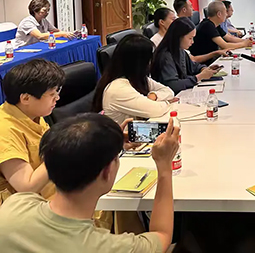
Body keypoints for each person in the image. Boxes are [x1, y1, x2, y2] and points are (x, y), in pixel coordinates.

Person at [0, 113, 180, 252]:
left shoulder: (14, 206)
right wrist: (164, 167)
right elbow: (162, 235)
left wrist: (103, 148)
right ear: (107, 172)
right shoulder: (115, 247)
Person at [0, 60, 63, 200]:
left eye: (57, 91)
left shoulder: (32, 113)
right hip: (27, 206)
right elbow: (27, 187)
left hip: (55, 190)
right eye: (52, 94)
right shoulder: (4, 130)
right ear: (26, 98)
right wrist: (61, 152)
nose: (57, 98)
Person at [93, 34, 176, 124]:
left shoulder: (137, 79)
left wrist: (154, 95)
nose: (151, 63)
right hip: (122, 132)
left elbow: (169, 91)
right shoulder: (118, 88)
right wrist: (167, 102)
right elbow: (156, 110)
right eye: (149, 59)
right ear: (139, 63)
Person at [151, 17, 220, 93]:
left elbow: (193, 66)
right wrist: (199, 77)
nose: (192, 42)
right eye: (190, 38)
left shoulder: (180, 50)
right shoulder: (165, 56)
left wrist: (204, 69)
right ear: (179, 37)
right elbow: (173, 85)